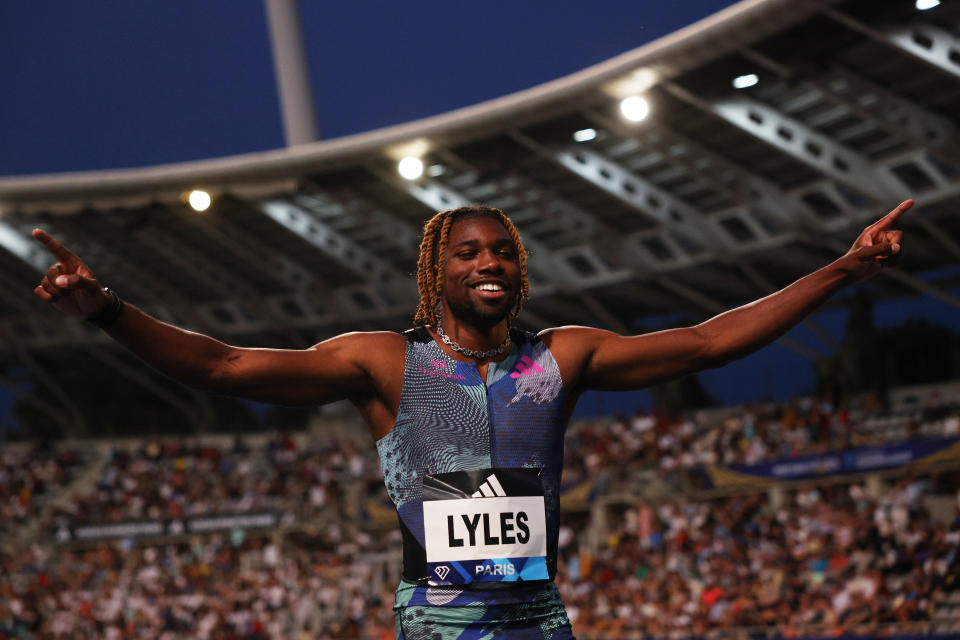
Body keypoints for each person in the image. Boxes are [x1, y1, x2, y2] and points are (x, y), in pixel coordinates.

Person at [32, 200, 910, 639]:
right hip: (439, 620)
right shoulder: (385, 363)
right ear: (437, 273)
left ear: (517, 272)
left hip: (539, 617)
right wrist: (108, 309)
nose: (488, 262)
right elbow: (222, 365)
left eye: (501, 252)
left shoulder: (562, 357)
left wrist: (841, 270)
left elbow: (709, 341)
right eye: (468, 253)